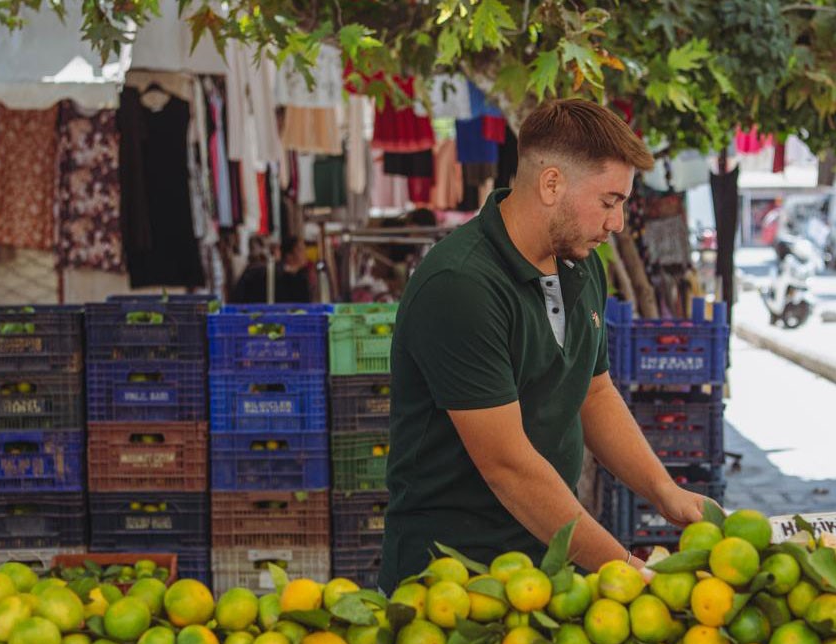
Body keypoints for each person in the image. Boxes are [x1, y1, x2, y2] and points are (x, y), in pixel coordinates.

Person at [377, 99, 711, 592]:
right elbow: (509, 467)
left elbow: (593, 394)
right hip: (452, 579)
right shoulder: (461, 284)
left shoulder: (580, 263)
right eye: (609, 201)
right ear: (551, 183)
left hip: (547, 566)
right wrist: (623, 567)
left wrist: (665, 491)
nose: (617, 223)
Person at [231, 232, 313, 303]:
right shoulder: (261, 274)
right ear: (289, 255)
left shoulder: (301, 277)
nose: (305, 254)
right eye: (301, 250)